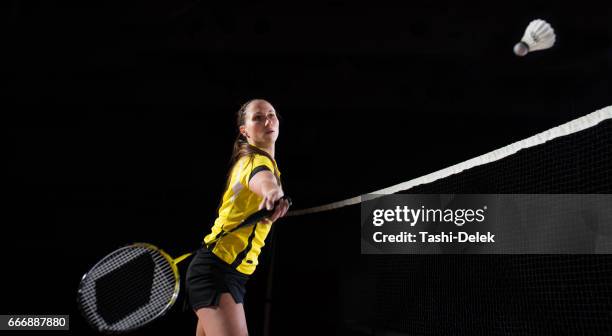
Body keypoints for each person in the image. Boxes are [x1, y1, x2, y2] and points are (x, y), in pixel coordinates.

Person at [186, 99, 291, 336]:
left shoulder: (246, 162)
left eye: (272, 114)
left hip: (219, 270)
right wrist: (273, 194)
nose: (268, 120)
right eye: (257, 117)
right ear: (244, 131)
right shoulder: (257, 162)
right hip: (218, 272)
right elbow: (264, 182)